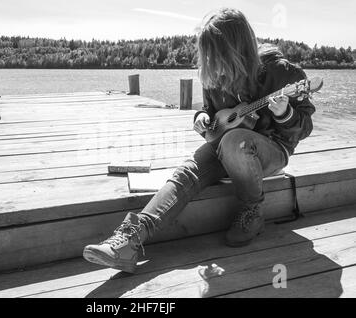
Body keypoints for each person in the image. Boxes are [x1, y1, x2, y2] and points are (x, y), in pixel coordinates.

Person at [83, 8, 316, 274]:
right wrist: (203, 117)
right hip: (226, 145)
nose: (208, 60)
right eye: (207, 53)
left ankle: (252, 210)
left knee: (235, 141)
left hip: (271, 150)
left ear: (235, 48)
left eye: (213, 53)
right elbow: (210, 110)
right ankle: (128, 241)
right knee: (186, 172)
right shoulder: (216, 72)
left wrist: (285, 113)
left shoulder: (281, 73)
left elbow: (305, 126)